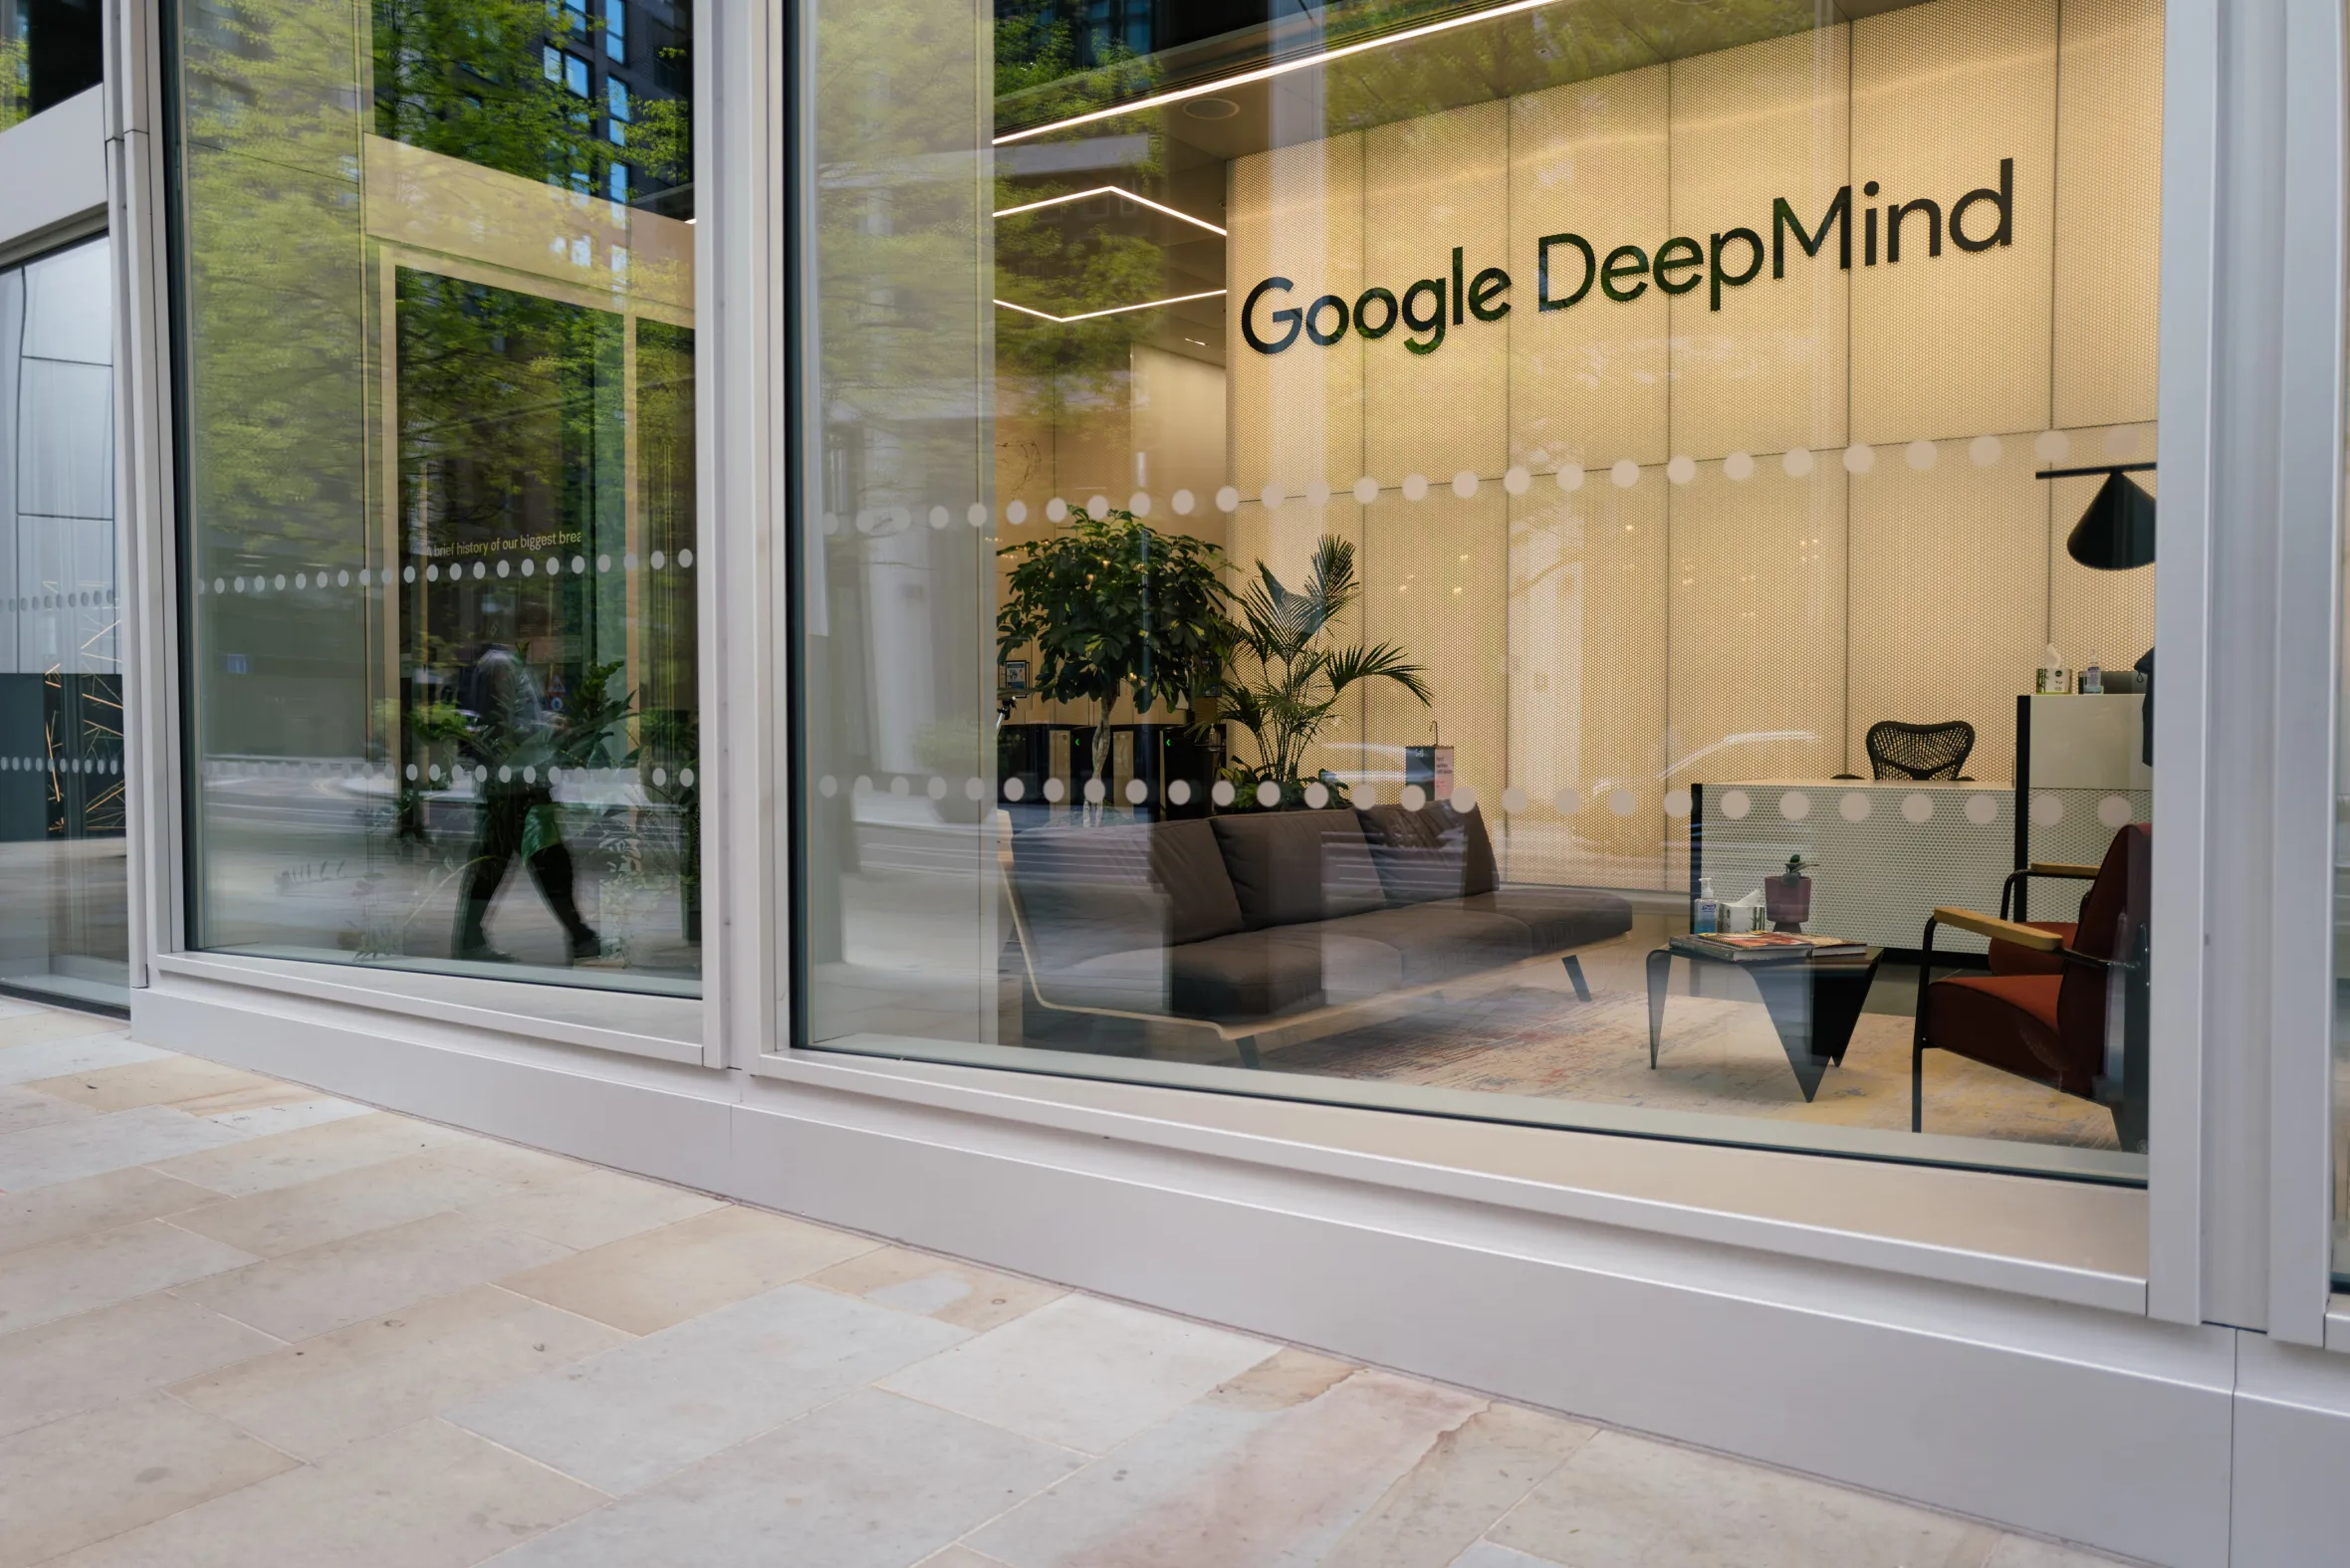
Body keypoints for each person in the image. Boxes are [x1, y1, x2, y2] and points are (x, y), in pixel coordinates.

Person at [451, 640, 600, 965]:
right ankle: (580, 936)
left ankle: (471, 940)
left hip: (514, 783)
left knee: (504, 861)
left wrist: (546, 720)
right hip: (518, 783)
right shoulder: (502, 665)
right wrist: (549, 729)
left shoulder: (505, 665)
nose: (555, 648)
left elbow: (514, 717)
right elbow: (504, 728)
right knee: (544, 861)